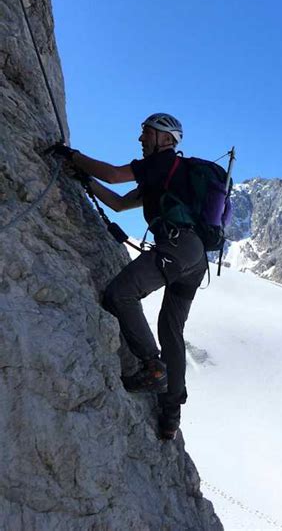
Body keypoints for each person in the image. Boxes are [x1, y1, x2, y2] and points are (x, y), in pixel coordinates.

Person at [57, 113, 207, 440]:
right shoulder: (167, 173)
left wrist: (73, 156)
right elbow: (119, 203)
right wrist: (85, 180)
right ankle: (170, 414)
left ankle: (153, 367)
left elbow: (113, 175)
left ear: (165, 138)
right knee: (171, 330)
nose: (140, 139)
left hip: (178, 246)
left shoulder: (162, 163)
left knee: (120, 293)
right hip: (193, 256)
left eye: (146, 133)